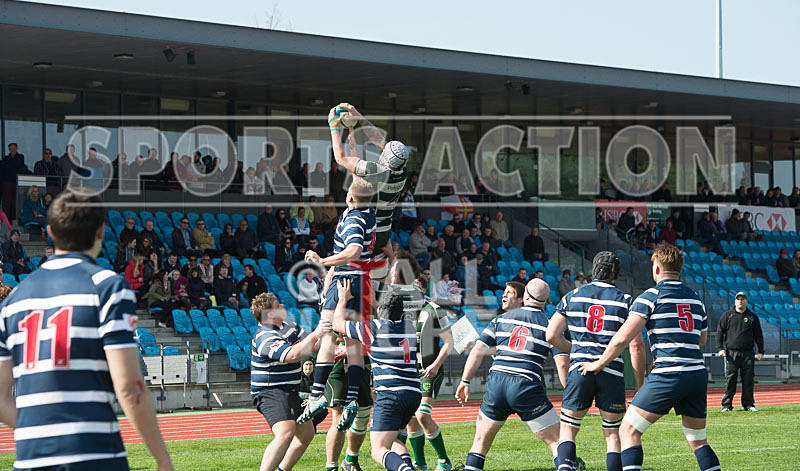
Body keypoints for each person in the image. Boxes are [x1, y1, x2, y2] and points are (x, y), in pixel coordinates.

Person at [0, 190, 173, 470]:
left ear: (50, 232)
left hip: (31, 456)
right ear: (101, 230)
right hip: (92, 452)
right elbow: (129, 386)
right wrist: (163, 459)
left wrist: (40, 432)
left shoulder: (13, 300)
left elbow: (0, 396)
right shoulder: (108, 286)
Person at [579, 244, 721, 471]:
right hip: (696, 373)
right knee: (697, 439)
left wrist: (599, 362)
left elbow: (622, 338)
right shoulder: (695, 299)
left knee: (628, 431)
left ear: (656, 268)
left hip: (668, 374)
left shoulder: (650, 297)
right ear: (680, 268)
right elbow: (701, 340)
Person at [546, 251, 646, 471]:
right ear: (615, 273)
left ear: (594, 269)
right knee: (612, 434)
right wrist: (640, 385)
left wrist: (575, 350)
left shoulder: (572, 296)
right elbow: (636, 346)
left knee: (569, 430)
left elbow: (551, 335)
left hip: (580, 369)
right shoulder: (627, 301)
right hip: (611, 371)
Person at [456, 279, 570, 471]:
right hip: (526, 385)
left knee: (480, 443)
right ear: (546, 300)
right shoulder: (550, 326)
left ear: (525, 296)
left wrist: (465, 381)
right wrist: (570, 393)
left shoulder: (500, 319)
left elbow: (477, 351)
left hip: (497, 384)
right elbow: (562, 363)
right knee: (558, 443)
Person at [298, 177, 376, 430]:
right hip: (361, 281)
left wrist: (323, 261)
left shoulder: (354, 218)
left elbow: (352, 251)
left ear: (350, 198)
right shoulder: (369, 212)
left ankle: (316, 394)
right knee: (353, 343)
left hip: (346, 279)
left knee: (327, 334)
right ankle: (352, 399)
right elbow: (358, 179)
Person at [332, 279, 421, 471]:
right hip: (413, 392)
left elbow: (337, 323)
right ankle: (408, 467)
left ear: (381, 307)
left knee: (378, 449)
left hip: (391, 394)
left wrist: (342, 299)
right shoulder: (409, 329)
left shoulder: (373, 328)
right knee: (393, 439)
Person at [250, 292, 330, 471]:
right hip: (271, 391)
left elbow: (315, 346)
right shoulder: (264, 336)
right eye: (278, 305)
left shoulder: (289, 326)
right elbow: (292, 355)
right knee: (286, 432)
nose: (283, 307)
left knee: (307, 434)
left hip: (290, 389)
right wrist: (318, 332)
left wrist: (335, 340)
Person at [330, 103, 409, 282]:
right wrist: (359, 116)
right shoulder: (402, 173)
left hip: (366, 228)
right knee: (375, 283)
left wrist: (333, 126)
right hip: (384, 233)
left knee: (341, 274)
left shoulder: (376, 170)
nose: (382, 146)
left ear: (384, 156)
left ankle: (326, 301)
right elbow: (380, 142)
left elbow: (340, 158)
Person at [405, 277, 455, 471]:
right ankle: (420, 464)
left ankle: (444, 460)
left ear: (423, 288)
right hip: (410, 373)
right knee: (410, 418)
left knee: (422, 415)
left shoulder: (434, 310)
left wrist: (435, 365)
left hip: (429, 370)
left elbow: (449, 342)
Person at [717, 292, 764, 412]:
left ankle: (748, 404)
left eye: (742, 299)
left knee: (748, 380)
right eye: (738, 299)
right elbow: (720, 333)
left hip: (748, 353)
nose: (740, 301)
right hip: (731, 354)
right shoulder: (727, 315)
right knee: (730, 380)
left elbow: (758, 335)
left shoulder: (753, 317)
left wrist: (761, 350)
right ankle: (726, 405)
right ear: (735, 301)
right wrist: (720, 348)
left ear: (746, 301)